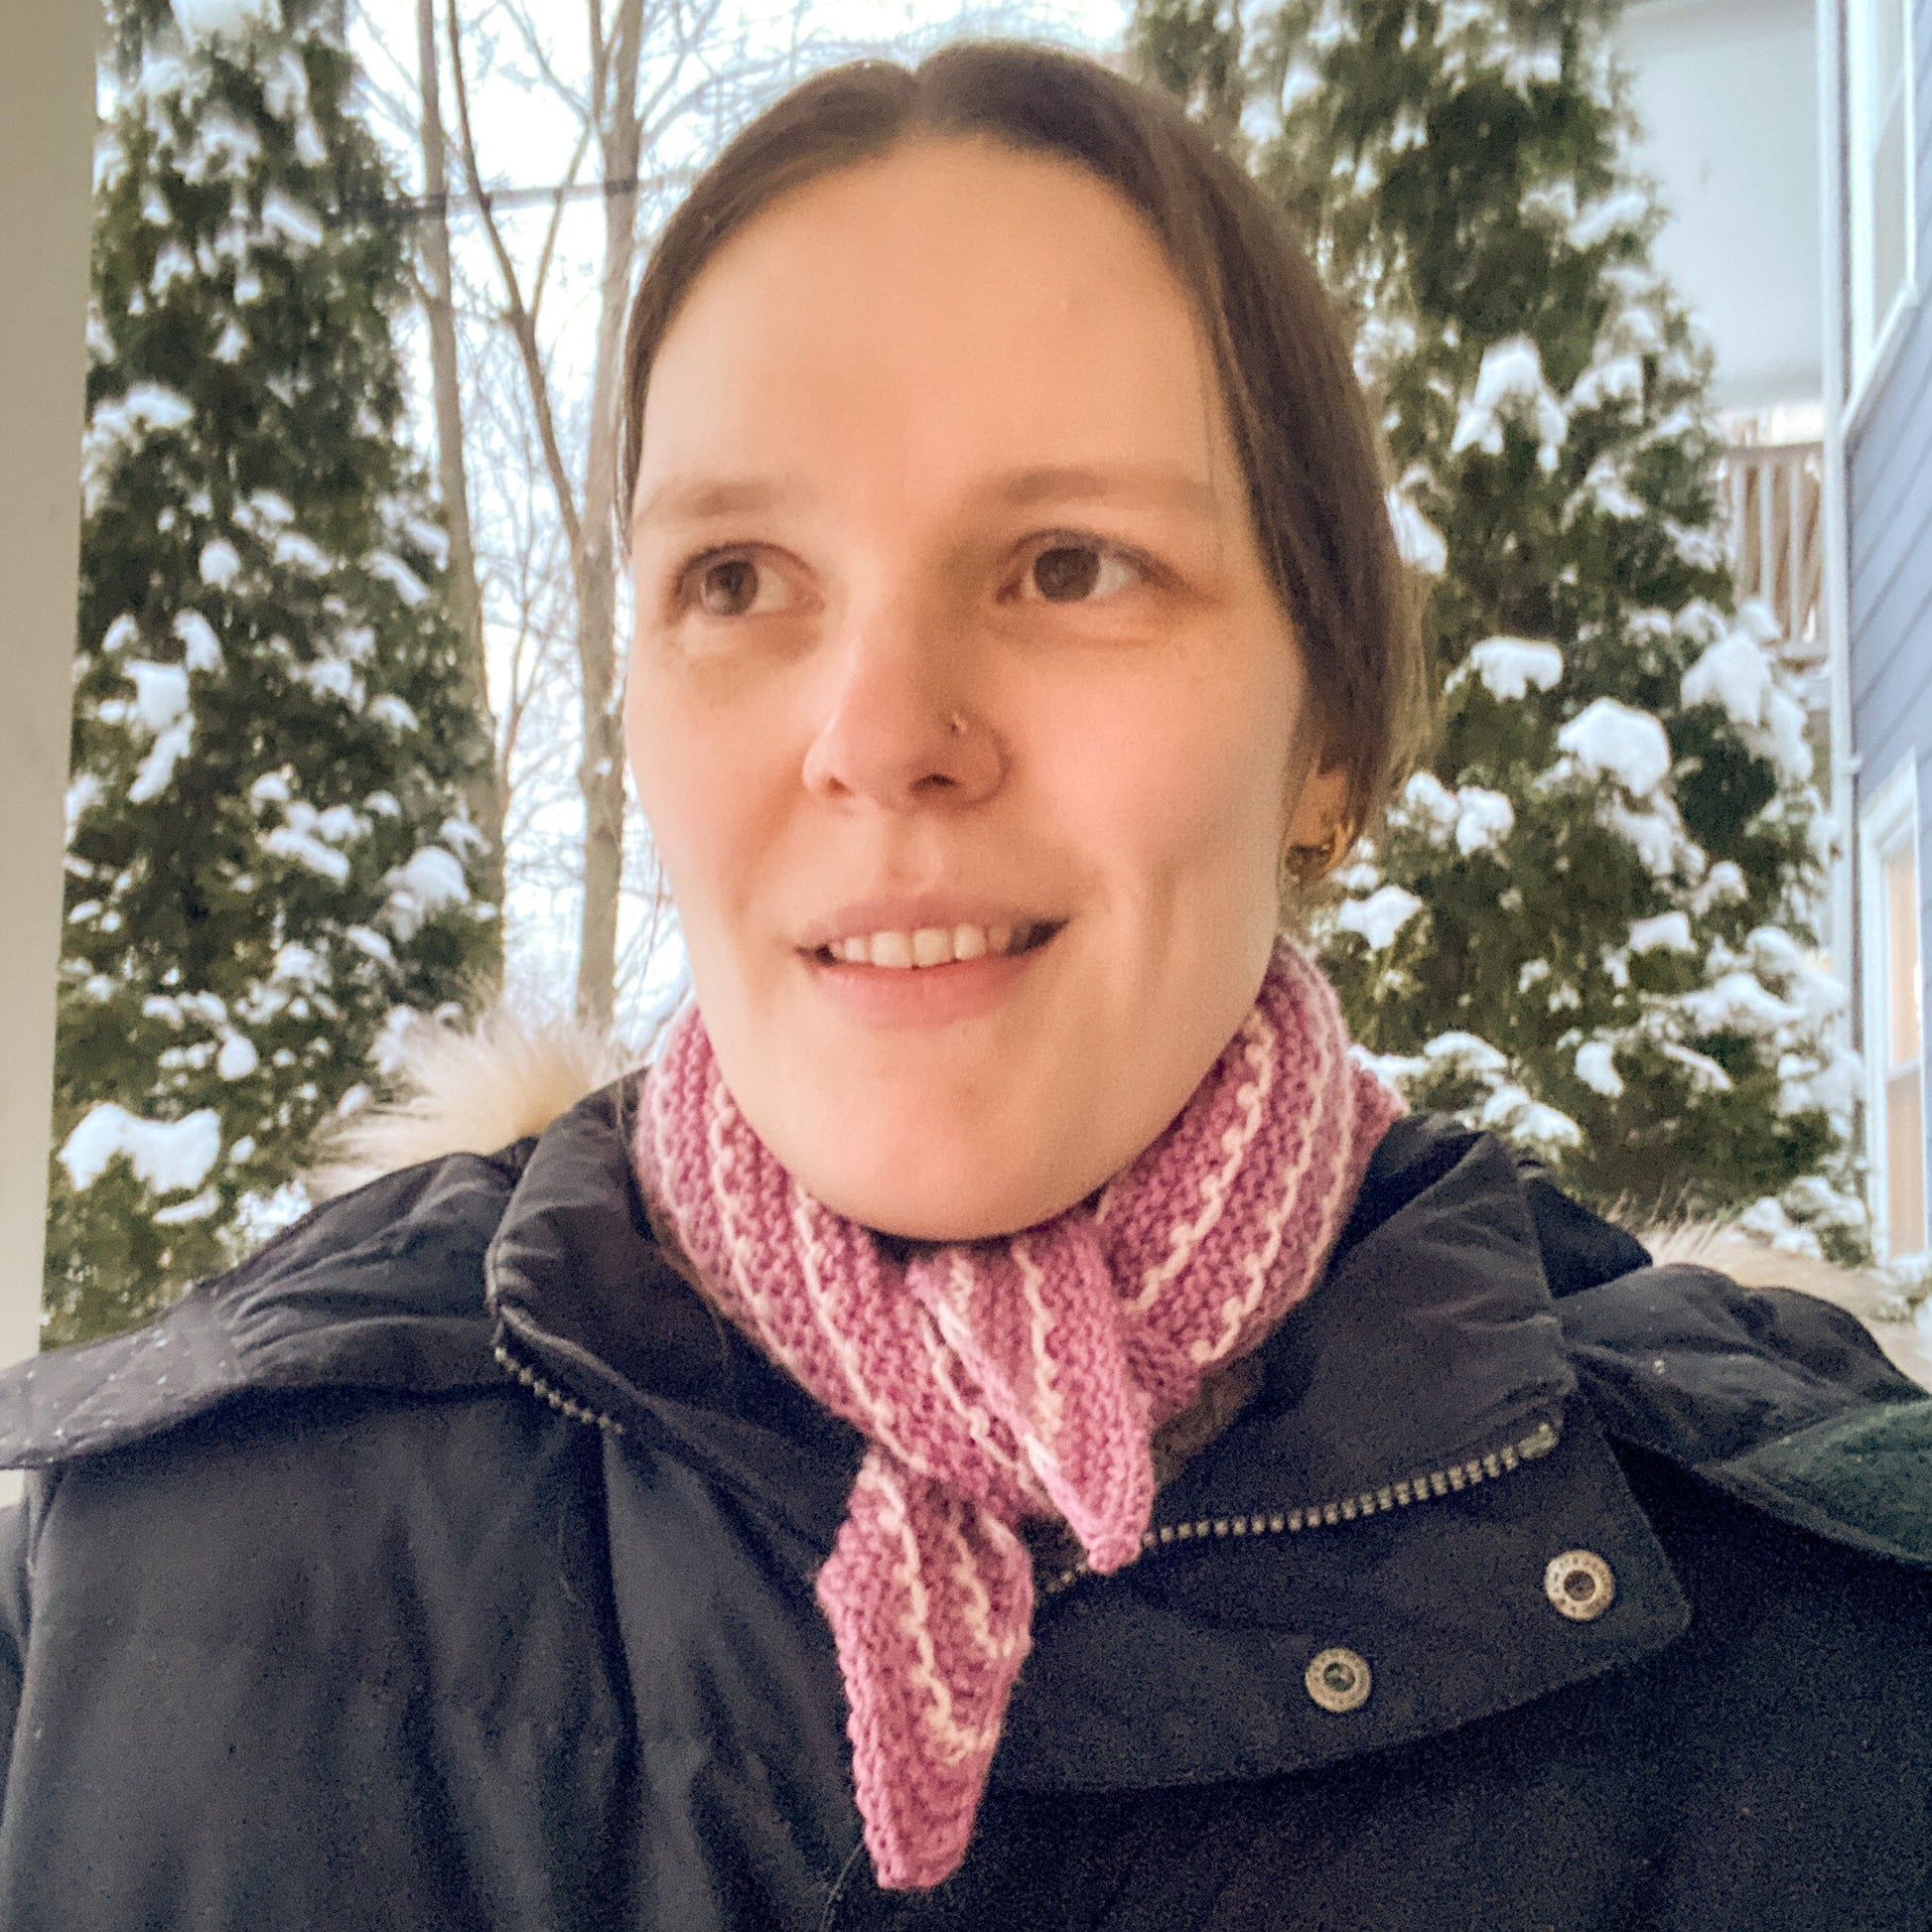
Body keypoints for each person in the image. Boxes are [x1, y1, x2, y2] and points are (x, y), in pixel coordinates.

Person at [0, 38, 1926, 1932]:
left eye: (1069, 563)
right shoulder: (158, 1570)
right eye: (739, 578)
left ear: (1327, 739)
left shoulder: (1817, 1646)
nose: (881, 733)